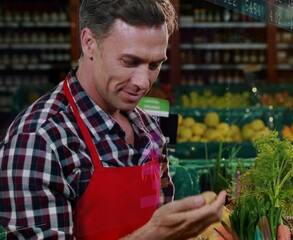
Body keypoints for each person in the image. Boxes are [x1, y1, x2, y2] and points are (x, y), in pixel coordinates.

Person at [0, 0, 226, 239]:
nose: (143, 82)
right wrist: (154, 235)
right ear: (89, 44)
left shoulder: (148, 128)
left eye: (155, 65)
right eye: (130, 62)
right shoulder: (40, 140)